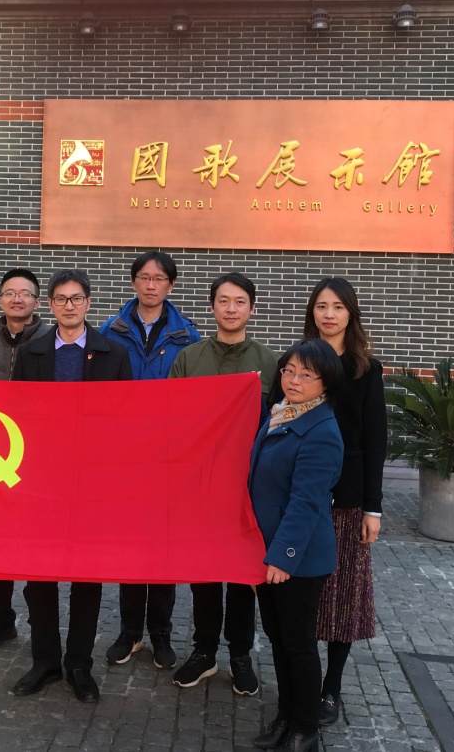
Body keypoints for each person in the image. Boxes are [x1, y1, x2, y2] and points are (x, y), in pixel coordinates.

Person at [9, 269, 132, 703]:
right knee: (39, 575)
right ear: (50, 305)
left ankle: (79, 663)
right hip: (41, 480)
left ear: (88, 303)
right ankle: (44, 661)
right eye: (60, 299)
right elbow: (16, 414)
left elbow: (125, 419)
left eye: (76, 298)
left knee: (87, 578)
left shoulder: (114, 354)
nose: (69, 306)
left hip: (92, 482)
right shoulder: (32, 353)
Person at [168, 272, 278, 696]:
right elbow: (170, 418)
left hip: (248, 488)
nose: (231, 309)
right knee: (205, 572)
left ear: (252, 308)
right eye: (223, 301)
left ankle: (241, 654)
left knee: (243, 575)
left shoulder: (270, 363)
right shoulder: (189, 359)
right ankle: (204, 651)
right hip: (200, 485)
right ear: (212, 307)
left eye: (239, 302)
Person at [99, 251, 199, 670]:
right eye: (144, 277)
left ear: (170, 285)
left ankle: (160, 632)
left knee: (163, 546)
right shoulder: (110, 331)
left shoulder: (188, 337)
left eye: (159, 278)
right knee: (129, 545)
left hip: (168, 458)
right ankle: (130, 632)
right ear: (133, 282)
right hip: (124, 457)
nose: (151, 284)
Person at [249, 340, 344, 752]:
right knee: (278, 638)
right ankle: (286, 715)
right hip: (268, 551)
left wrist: (284, 557)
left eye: (306, 375)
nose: (294, 380)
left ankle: (305, 730)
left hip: (297, 559)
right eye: (289, 370)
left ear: (326, 383)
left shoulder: (322, 432)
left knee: (298, 644)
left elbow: (306, 502)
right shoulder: (280, 414)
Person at [303, 277, 387, 727]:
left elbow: (375, 441)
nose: (329, 314)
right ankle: (300, 683)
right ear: (312, 313)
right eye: (321, 306)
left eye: (337, 306)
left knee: (343, 598)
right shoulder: (298, 362)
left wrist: (373, 507)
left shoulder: (365, 370)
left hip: (348, 500)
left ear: (350, 313)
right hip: (302, 497)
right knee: (303, 598)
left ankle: (330, 688)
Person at [0, 267, 50, 652]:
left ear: (37, 301)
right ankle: (1, 620)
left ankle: (40, 621)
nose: (17, 299)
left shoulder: (52, 339)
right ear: (0, 299)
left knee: (36, 545)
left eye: (25, 293)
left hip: (36, 455)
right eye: (10, 293)